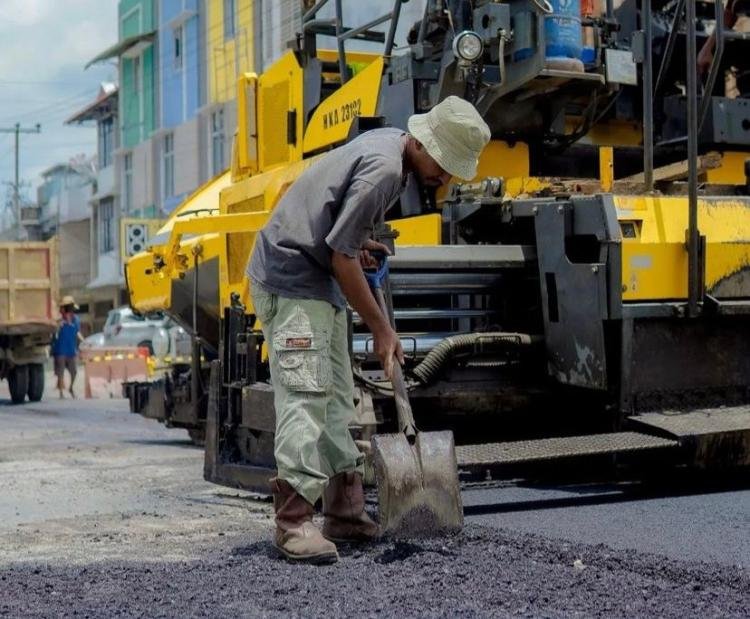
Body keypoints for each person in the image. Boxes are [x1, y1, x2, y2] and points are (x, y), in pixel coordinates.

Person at [247, 96, 491, 564]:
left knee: (338, 397)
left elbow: (341, 239)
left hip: (318, 279)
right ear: (421, 143)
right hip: (293, 277)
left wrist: (357, 245)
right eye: (444, 164)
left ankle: (345, 510)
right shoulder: (384, 169)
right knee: (307, 396)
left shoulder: (394, 152)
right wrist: (381, 329)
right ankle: (293, 522)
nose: (445, 177)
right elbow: (339, 256)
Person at [52, 295, 83, 399]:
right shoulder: (58, 320)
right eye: (68, 308)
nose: (71, 310)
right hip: (60, 350)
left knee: (74, 371)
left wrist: (83, 341)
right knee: (60, 372)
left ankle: (71, 388)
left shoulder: (76, 320)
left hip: (71, 350)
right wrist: (59, 324)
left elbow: (77, 332)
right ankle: (61, 392)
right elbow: (54, 333)